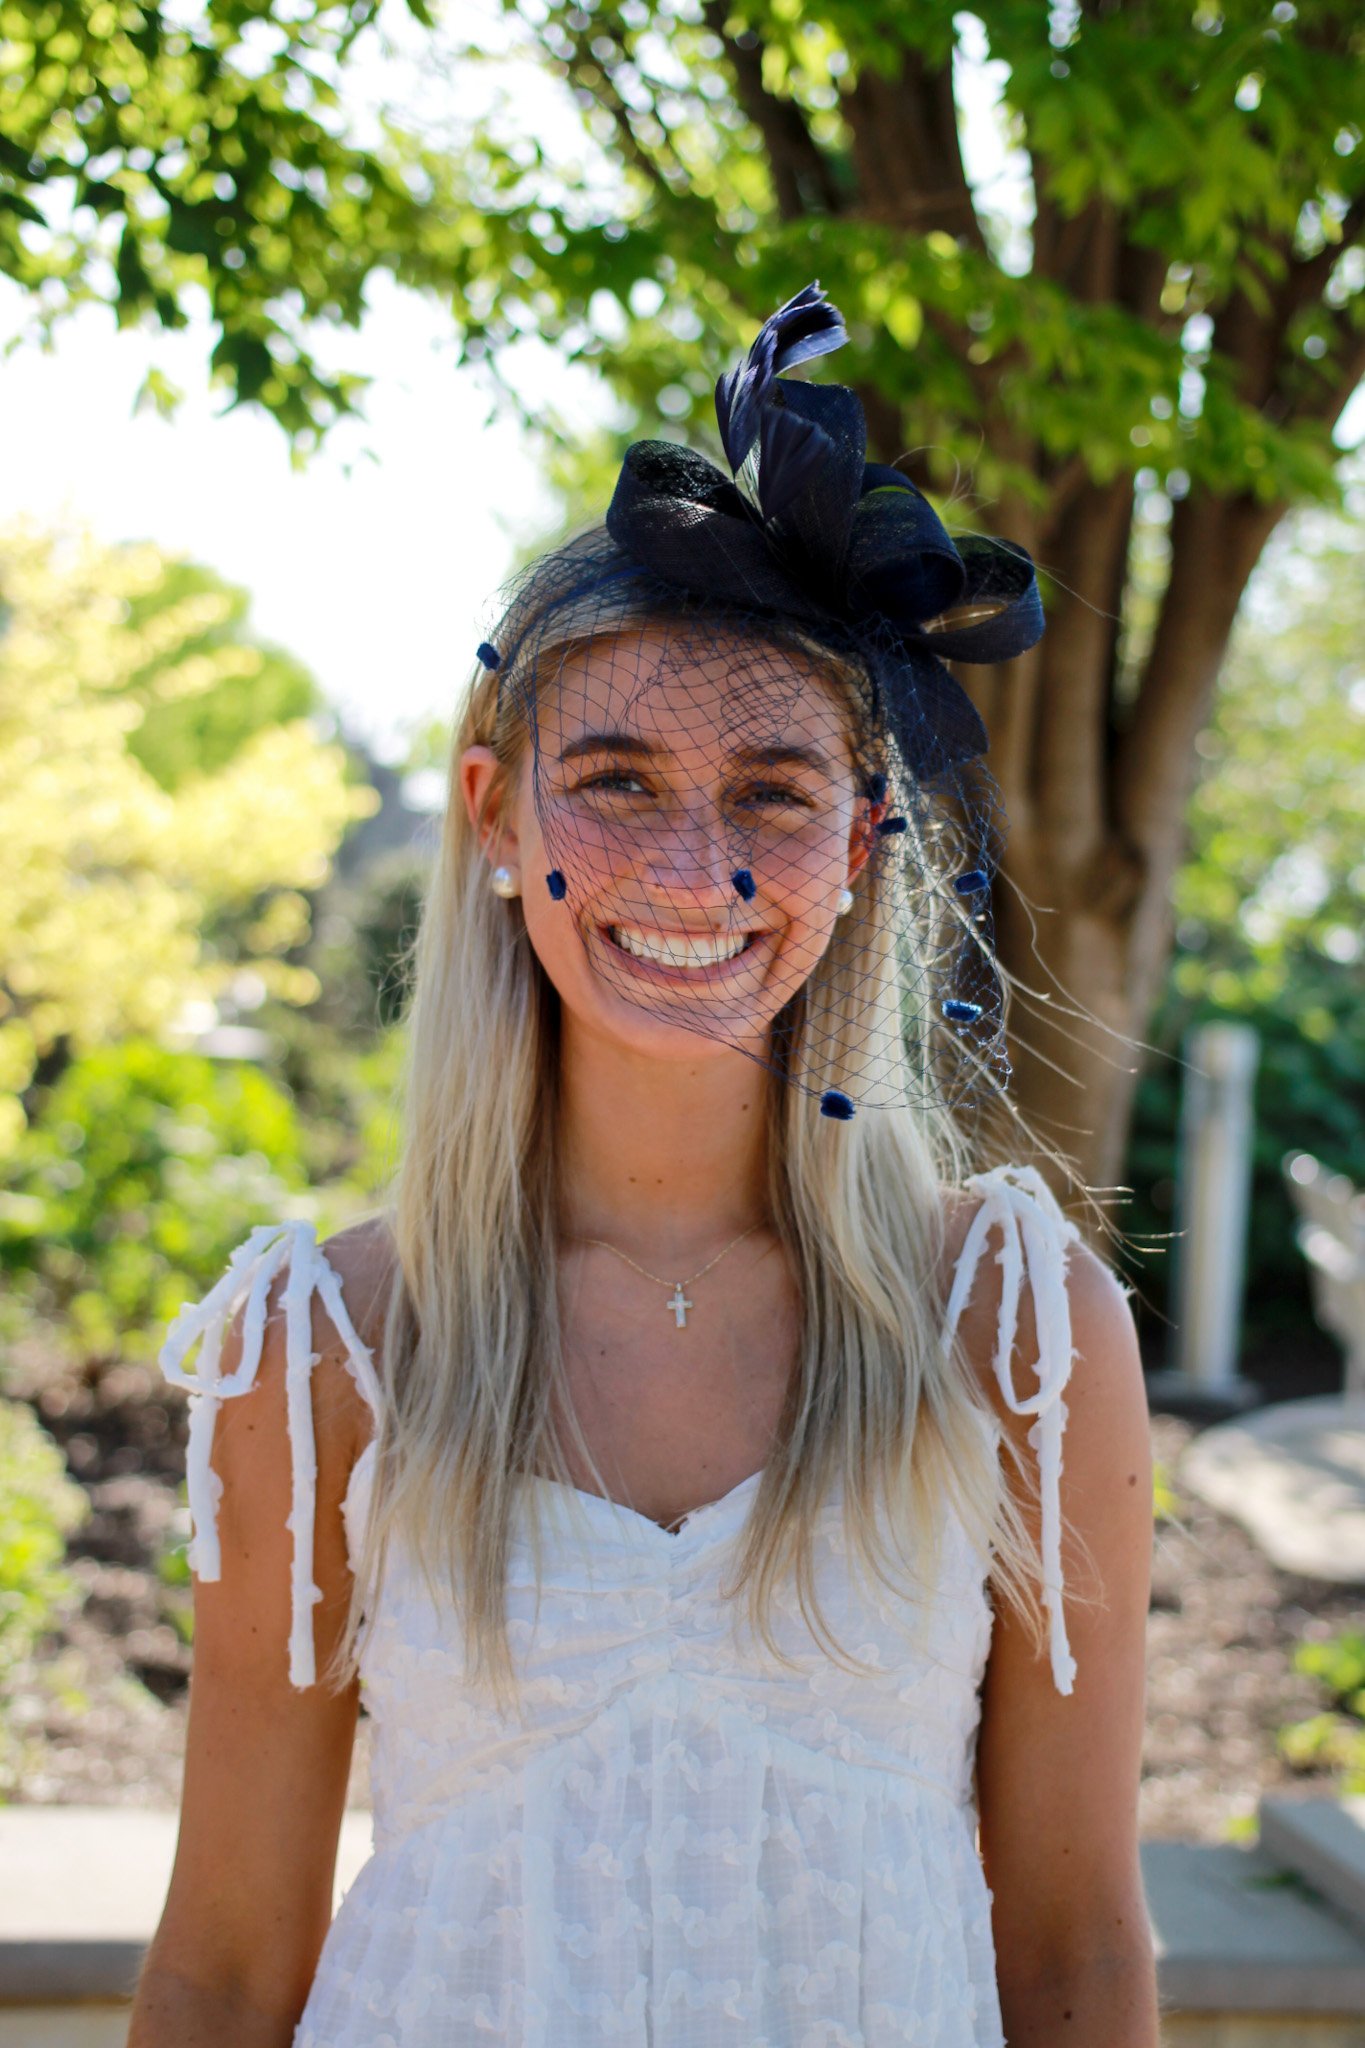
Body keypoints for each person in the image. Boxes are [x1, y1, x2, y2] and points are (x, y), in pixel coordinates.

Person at [129, 284, 1157, 2047]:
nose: (697, 871)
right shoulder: (323, 1353)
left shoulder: (1016, 1332)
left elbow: (1072, 1944)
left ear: (864, 839)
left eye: (773, 790)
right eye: (611, 779)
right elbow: (226, 1964)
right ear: (494, 813)